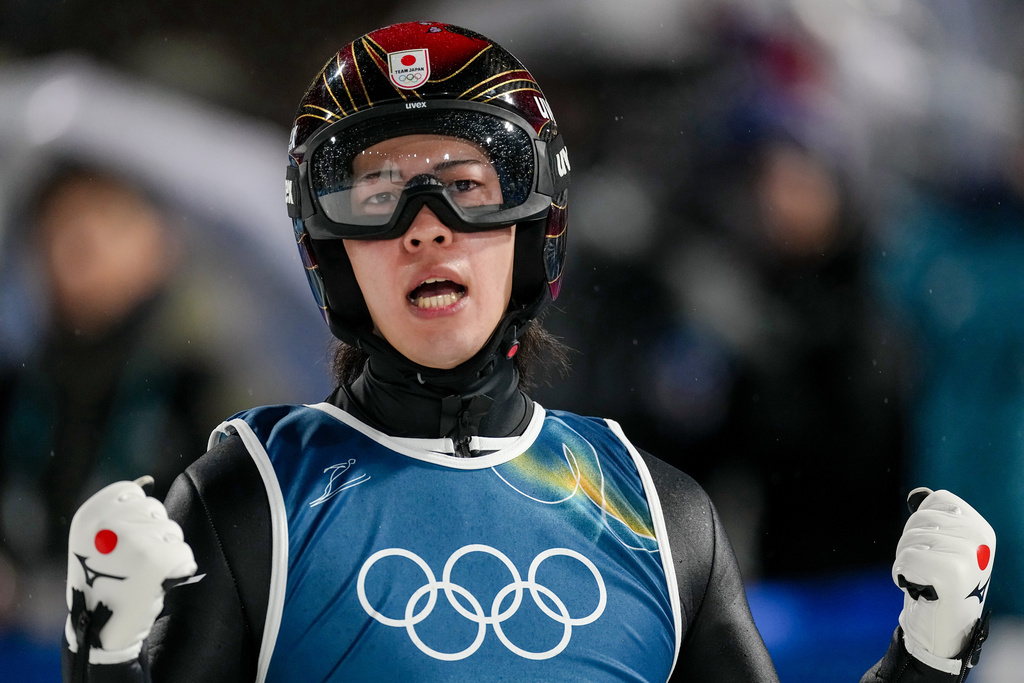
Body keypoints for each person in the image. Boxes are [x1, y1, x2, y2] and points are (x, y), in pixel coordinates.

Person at [60, 22, 995, 682]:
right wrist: (103, 656)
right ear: (330, 253)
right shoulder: (248, 499)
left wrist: (928, 654)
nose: (429, 229)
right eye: (377, 192)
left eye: (469, 184)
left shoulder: (661, 515)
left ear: (534, 226)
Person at [0, 165, 231, 634]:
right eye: (61, 219)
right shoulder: (14, 389)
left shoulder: (204, 397)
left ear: (162, 245)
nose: (83, 240)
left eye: (111, 218)